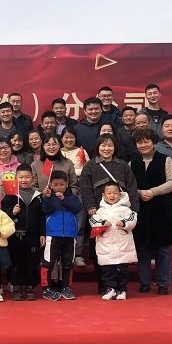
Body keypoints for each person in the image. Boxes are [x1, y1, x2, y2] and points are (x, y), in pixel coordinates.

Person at [79, 134, 140, 294]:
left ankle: (120, 286)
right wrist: (90, 206)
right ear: (98, 147)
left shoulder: (123, 165)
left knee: (121, 250)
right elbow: (85, 188)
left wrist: (134, 209)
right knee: (99, 250)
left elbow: (132, 187)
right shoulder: (90, 166)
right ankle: (104, 285)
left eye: (110, 145)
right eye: (103, 145)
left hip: (121, 213)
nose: (106, 149)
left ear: (115, 147)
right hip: (99, 213)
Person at [130, 129, 172, 295]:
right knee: (142, 248)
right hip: (141, 210)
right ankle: (144, 282)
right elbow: (128, 185)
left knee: (162, 248)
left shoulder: (165, 160)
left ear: (153, 142)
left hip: (162, 210)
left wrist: (153, 192)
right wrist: (139, 193)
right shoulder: (132, 162)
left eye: (146, 141)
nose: (143, 145)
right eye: (139, 142)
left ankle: (163, 283)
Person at [1, 165, 45, 301]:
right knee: (16, 263)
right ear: (16, 178)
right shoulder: (10, 196)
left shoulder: (38, 196)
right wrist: (12, 212)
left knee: (32, 262)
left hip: (33, 236)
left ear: (33, 178)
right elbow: (2, 214)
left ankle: (31, 287)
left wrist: (42, 233)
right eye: (21, 177)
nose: (24, 180)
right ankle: (17, 286)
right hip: (15, 236)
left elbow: (42, 217)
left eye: (27, 177)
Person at [90, 182, 138, 300]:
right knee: (107, 270)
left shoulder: (126, 210)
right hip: (106, 246)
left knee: (122, 270)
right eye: (109, 193)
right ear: (103, 195)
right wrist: (102, 223)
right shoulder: (100, 211)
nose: (112, 195)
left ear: (120, 195)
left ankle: (122, 290)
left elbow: (133, 219)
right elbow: (93, 221)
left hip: (122, 245)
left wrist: (124, 223)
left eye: (115, 193)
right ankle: (110, 289)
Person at [40, 170, 84, 301]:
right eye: (55, 185)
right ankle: (46, 288)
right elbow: (46, 209)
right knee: (48, 263)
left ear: (67, 184)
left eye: (61, 184)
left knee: (68, 263)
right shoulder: (49, 197)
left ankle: (66, 287)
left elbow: (78, 208)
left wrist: (64, 199)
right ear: (51, 185)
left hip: (70, 235)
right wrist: (48, 198)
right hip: (53, 234)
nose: (58, 187)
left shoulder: (72, 197)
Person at [60, 127, 90, 267]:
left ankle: (77, 254)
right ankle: (62, 255)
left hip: (80, 190)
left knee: (79, 224)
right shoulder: (58, 152)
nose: (69, 140)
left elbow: (87, 170)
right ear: (61, 139)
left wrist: (70, 172)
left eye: (71, 137)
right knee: (63, 223)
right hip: (62, 191)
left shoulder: (82, 151)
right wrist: (76, 171)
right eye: (66, 137)